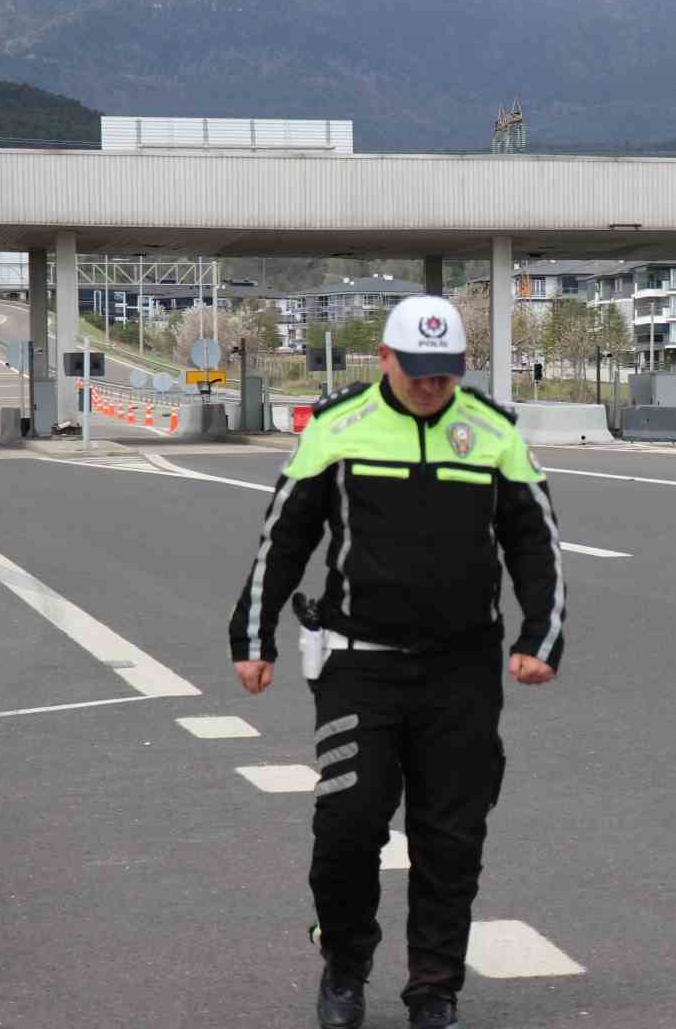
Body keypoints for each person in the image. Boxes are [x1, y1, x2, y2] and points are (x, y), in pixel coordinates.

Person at [227, 295, 565, 1029]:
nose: (431, 386)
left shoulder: (493, 432)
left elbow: (536, 541)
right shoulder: (339, 429)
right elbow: (282, 538)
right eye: (417, 372)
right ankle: (345, 962)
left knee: (452, 835)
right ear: (384, 359)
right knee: (349, 824)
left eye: (444, 374)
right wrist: (252, 639)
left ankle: (433, 990)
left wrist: (540, 636)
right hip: (359, 665)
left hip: (463, 670)